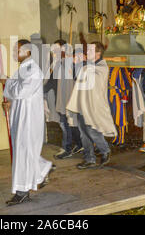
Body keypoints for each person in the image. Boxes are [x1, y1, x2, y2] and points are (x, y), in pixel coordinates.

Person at [1, 39, 55, 206]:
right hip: (21, 116)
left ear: (27, 51)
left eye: (16, 50)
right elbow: (17, 93)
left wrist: (7, 82)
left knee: (24, 153)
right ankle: (43, 169)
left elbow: (22, 90)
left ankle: (22, 191)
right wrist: (8, 102)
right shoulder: (23, 69)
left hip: (29, 119)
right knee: (24, 152)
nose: (13, 53)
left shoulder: (33, 70)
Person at [67, 41, 117, 169]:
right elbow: (76, 77)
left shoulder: (102, 67)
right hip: (82, 103)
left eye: (89, 51)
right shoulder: (86, 66)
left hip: (94, 104)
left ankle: (105, 150)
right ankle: (89, 159)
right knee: (83, 132)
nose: (86, 53)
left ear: (98, 53)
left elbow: (92, 78)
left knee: (92, 130)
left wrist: (83, 64)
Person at [53, 40, 83, 159]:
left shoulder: (72, 62)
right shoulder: (59, 63)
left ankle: (67, 148)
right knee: (67, 125)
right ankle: (79, 144)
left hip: (70, 100)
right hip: (62, 99)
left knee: (67, 125)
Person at [108, 66, 131, 147]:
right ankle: (115, 137)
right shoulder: (105, 66)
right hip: (107, 94)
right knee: (111, 117)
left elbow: (125, 81)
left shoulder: (119, 67)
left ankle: (122, 139)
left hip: (117, 95)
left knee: (120, 117)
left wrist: (124, 95)